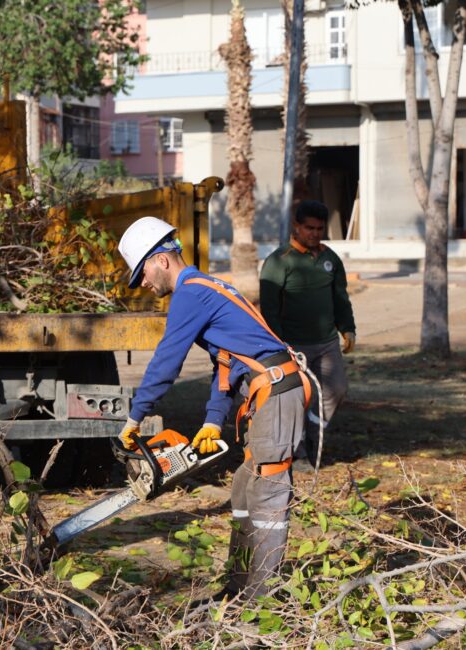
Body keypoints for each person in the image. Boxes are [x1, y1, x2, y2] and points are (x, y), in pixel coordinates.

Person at [116, 216, 312, 602]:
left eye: (142, 272)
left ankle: (262, 598)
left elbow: (166, 360)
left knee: (268, 491)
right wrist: (211, 421)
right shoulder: (203, 289)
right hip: (265, 391)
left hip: (276, 389)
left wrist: (135, 416)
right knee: (242, 488)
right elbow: (225, 364)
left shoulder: (191, 291)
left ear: (163, 260)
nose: (142, 283)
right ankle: (238, 586)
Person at [259, 200, 356, 468]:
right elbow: (269, 309)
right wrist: (278, 345)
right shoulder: (279, 261)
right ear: (297, 227)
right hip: (293, 345)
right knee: (295, 398)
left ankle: (315, 434)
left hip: (326, 343)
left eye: (319, 229)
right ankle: (299, 453)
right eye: (309, 228)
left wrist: (347, 328)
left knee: (336, 389)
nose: (314, 233)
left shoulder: (330, 259)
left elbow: (340, 298)